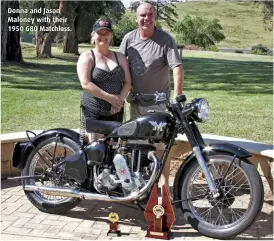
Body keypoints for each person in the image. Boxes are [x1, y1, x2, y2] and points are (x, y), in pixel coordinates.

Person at [119, 2, 184, 190]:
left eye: (150, 15)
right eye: (142, 15)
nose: (146, 18)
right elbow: (119, 66)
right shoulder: (129, 39)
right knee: (135, 145)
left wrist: (178, 96)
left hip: (158, 105)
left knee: (160, 146)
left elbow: (177, 67)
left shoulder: (165, 40)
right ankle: (138, 187)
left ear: (155, 17)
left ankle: (163, 186)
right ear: (136, 18)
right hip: (136, 104)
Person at [77, 18, 132, 141]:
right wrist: (109, 98)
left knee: (114, 149)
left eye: (106, 33)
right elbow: (85, 84)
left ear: (111, 35)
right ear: (93, 35)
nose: (103, 36)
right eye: (99, 33)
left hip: (116, 112)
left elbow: (128, 82)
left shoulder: (120, 57)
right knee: (96, 151)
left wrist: (119, 101)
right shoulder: (87, 57)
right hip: (94, 112)